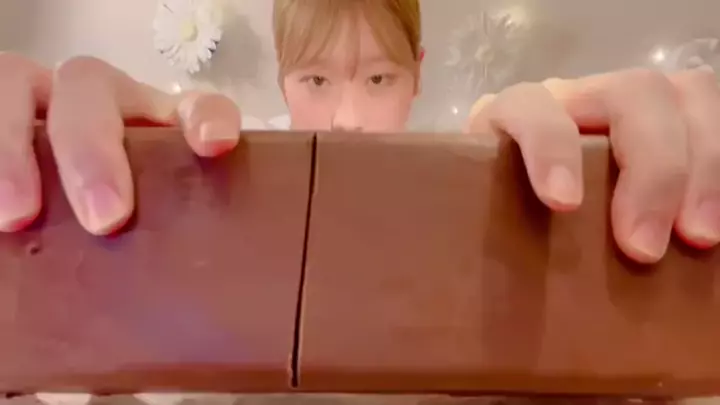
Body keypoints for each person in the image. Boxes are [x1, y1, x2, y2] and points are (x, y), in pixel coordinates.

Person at [0, 0, 718, 266]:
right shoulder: (223, 173)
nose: (347, 116)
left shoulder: (473, 185)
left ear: (417, 74)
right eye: (316, 80)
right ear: (284, 80)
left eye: (377, 79)